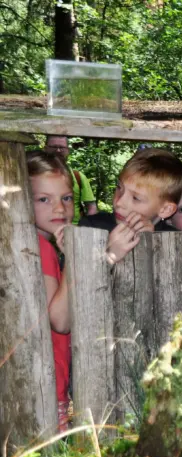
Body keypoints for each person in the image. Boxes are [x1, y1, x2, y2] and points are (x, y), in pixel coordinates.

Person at [27, 151, 74, 431]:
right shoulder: (39, 247)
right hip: (45, 386)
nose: (59, 208)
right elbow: (60, 320)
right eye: (44, 199)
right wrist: (72, 258)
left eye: (66, 198)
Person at [80, 148, 182, 265]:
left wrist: (152, 243)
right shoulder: (91, 227)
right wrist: (110, 255)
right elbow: (77, 279)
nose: (119, 203)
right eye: (119, 188)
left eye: (136, 198)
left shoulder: (175, 241)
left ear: (165, 209)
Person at [44, 136, 98, 223]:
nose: (58, 150)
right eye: (53, 147)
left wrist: (89, 227)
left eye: (61, 147)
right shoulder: (34, 176)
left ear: (68, 150)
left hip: (74, 231)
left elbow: (91, 207)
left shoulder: (78, 177)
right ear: (45, 148)